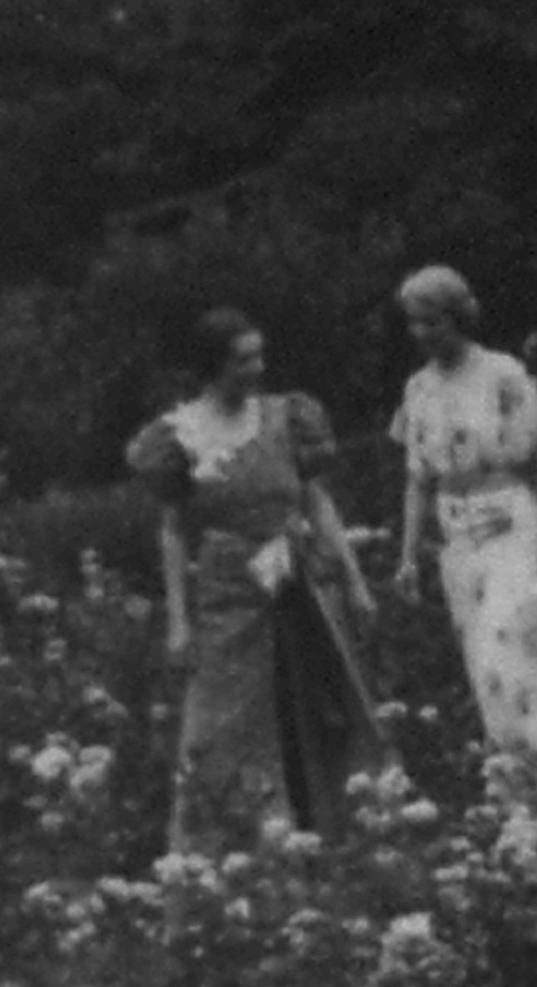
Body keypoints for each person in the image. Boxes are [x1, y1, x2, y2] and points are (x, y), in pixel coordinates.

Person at [127, 308, 383, 853]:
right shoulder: (180, 436)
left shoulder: (286, 418)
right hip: (229, 593)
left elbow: (316, 500)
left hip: (299, 584)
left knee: (315, 702)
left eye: (259, 356)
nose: (258, 368)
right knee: (223, 719)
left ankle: (330, 831)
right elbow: (173, 530)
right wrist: (178, 621)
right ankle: (229, 846)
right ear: (213, 367)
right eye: (244, 360)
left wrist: (355, 581)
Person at [389, 265, 537, 803]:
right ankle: (521, 786)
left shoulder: (502, 375)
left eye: (432, 321)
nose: (422, 333)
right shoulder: (417, 388)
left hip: (510, 521)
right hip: (458, 535)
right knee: (485, 663)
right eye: (413, 323)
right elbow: (417, 479)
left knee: (522, 645)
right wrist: (408, 555)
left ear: (458, 318)